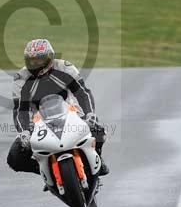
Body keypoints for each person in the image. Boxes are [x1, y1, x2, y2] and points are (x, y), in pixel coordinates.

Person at [6, 38, 109, 176]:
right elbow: (20, 110)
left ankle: (97, 159)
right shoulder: (21, 78)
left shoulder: (65, 67)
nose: (36, 64)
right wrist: (24, 131)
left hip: (71, 113)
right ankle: (45, 171)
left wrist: (90, 114)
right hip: (39, 123)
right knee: (14, 158)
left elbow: (83, 93)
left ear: (50, 57)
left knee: (98, 130)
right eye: (31, 60)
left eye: (40, 59)